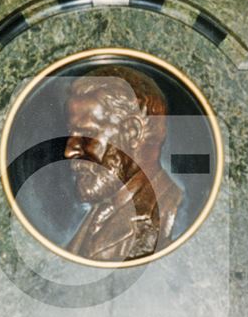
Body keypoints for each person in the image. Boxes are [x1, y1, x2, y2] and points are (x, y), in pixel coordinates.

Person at [63, 64, 182, 262]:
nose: (69, 151)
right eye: (70, 135)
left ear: (131, 132)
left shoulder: (167, 211)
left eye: (87, 134)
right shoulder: (102, 209)